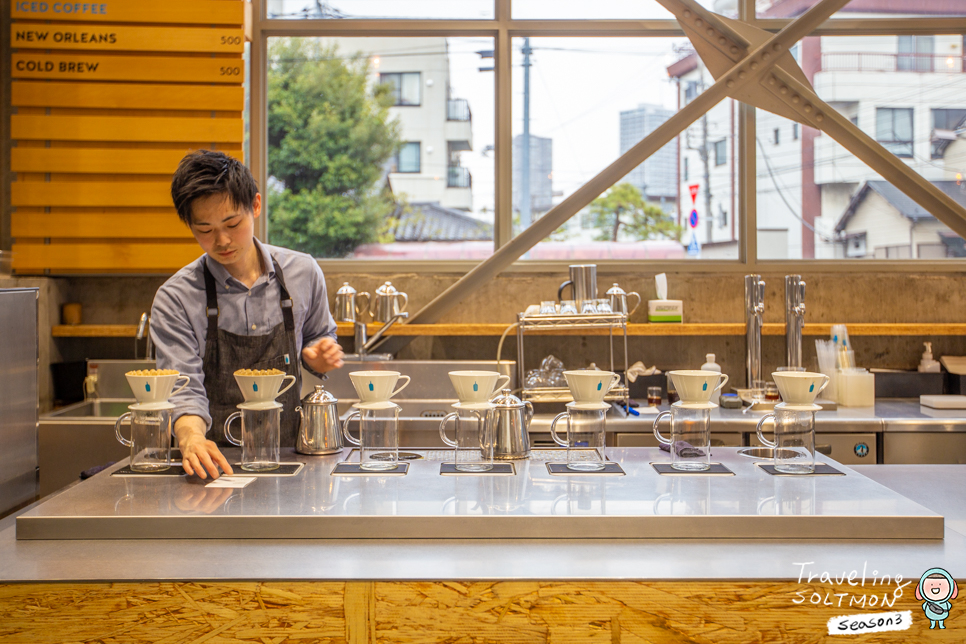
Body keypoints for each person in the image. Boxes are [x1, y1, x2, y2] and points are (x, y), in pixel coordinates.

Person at [151, 150, 344, 479]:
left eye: (232, 224)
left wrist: (319, 356)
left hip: (289, 461)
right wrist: (191, 437)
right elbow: (182, 388)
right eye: (205, 230)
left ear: (255, 205)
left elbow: (318, 337)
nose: (222, 240)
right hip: (212, 467)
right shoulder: (176, 298)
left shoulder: (303, 272)